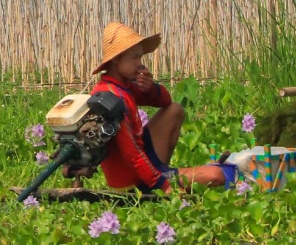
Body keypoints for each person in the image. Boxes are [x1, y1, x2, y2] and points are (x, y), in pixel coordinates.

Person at [90, 22, 232, 192]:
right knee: (216, 175)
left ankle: (164, 172)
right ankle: (164, 176)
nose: (139, 64)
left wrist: (150, 88)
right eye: (135, 58)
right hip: (135, 181)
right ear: (115, 59)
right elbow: (132, 156)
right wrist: (165, 187)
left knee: (175, 110)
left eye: (140, 58)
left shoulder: (121, 85)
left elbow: (166, 102)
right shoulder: (112, 98)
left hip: (145, 162)